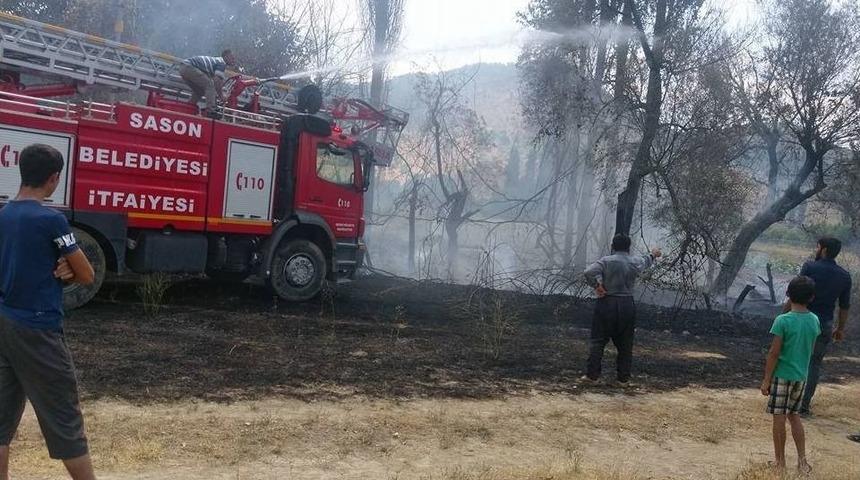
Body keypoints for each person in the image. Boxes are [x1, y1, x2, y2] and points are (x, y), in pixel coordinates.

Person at [0, 144, 96, 480]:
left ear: (21, 172)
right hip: (38, 327)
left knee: (1, 419)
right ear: (54, 178)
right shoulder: (51, 220)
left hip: (4, 321)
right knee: (63, 414)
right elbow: (87, 275)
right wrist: (69, 267)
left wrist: (60, 267)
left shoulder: (3, 215)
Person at [582, 234, 661, 384]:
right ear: (628, 247)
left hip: (606, 302)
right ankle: (623, 378)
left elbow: (588, 272)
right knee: (625, 344)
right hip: (626, 304)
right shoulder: (634, 261)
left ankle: (592, 376)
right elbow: (647, 260)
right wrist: (654, 253)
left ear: (613, 246)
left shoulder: (606, 261)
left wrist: (597, 286)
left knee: (598, 341)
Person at [761, 276, 820, 475]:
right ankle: (803, 462)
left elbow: (774, 353)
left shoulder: (783, 320)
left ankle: (780, 463)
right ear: (811, 297)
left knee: (779, 418)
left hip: (782, 375)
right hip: (801, 376)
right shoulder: (814, 320)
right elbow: (811, 350)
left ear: (788, 294)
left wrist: (767, 378)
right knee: (794, 416)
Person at [792, 237, 852, 416]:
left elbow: (796, 293)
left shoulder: (810, 267)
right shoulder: (844, 276)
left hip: (802, 320)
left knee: (793, 357)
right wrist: (840, 329)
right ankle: (803, 406)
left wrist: (784, 315)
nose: (816, 249)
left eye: (817, 246)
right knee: (814, 363)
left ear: (824, 249)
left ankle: (786, 399)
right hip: (824, 324)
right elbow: (844, 306)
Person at [179, 49, 238, 117]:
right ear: (226, 56)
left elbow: (215, 83)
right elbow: (217, 81)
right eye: (232, 57)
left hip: (183, 67)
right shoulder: (221, 63)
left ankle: (189, 107)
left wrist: (216, 95)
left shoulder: (215, 62)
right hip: (189, 67)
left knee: (199, 91)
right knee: (209, 85)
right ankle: (211, 111)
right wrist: (221, 96)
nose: (233, 60)